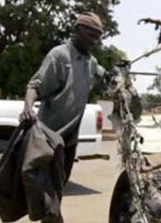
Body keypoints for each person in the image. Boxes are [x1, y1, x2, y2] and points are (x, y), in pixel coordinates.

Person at [19, 12, 106, 183]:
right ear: (78, 30)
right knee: (41, 191)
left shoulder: (91, 62)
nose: (94, 41)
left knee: (59, 185)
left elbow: (105, 77)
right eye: (90, 35)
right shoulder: (59, 55)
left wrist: (117, 74)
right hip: (48, 138)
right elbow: (34, 86)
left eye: (97, 37)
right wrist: (28, 109)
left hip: (69, 141)